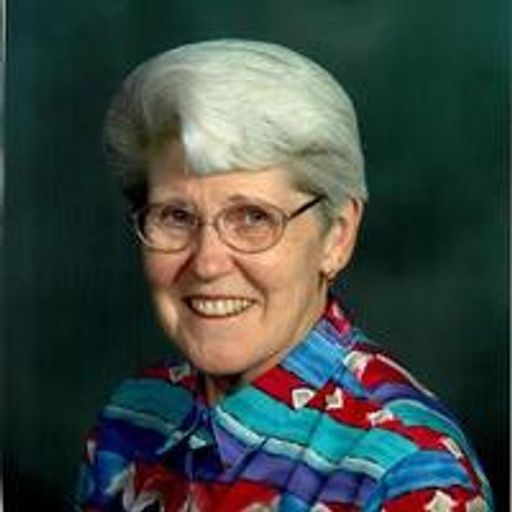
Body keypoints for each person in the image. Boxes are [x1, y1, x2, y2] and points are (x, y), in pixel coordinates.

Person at [76, 39, 493, 511]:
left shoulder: (407, 476)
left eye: (253, 218)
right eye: (176, 215)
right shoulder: (133, 416)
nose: (207, 263)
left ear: (336, 236)